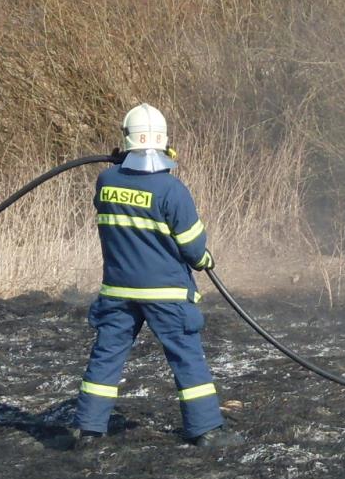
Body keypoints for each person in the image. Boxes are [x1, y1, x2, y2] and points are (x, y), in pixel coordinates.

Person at [68, 104, 241, 449]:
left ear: (126, 140)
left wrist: (121, 165)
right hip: (166, 294)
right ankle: (206, 430)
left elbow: (120, 205)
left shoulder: (106, 182)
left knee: (106, 356)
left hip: (118, 291)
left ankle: (88, 429)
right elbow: (193, 247)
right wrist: (204, 259)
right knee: (186, 357)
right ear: (163, 142)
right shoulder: (171, 190)